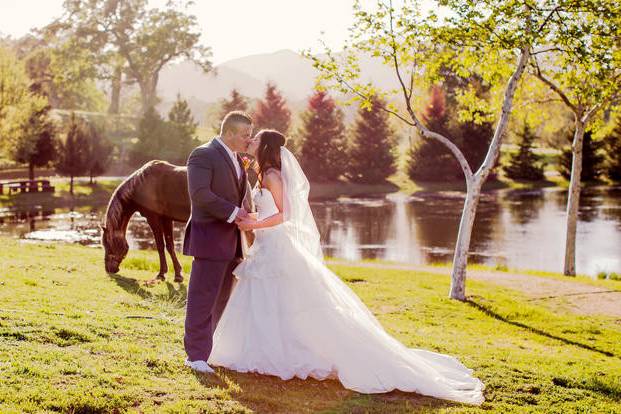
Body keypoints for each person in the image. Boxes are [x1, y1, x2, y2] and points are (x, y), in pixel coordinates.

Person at [207, 129, 485, 405]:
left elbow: (285, 214)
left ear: (265, 146)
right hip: (265, 246)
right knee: (269, 301)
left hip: (278, 247)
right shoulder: (262, 175)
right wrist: (249, 217)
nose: (250, 140)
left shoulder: (272, 176)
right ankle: (261, 350)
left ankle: (289, 352)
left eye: (255, 139)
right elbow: (269, 211)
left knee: (287, 300)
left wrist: (253, 224)